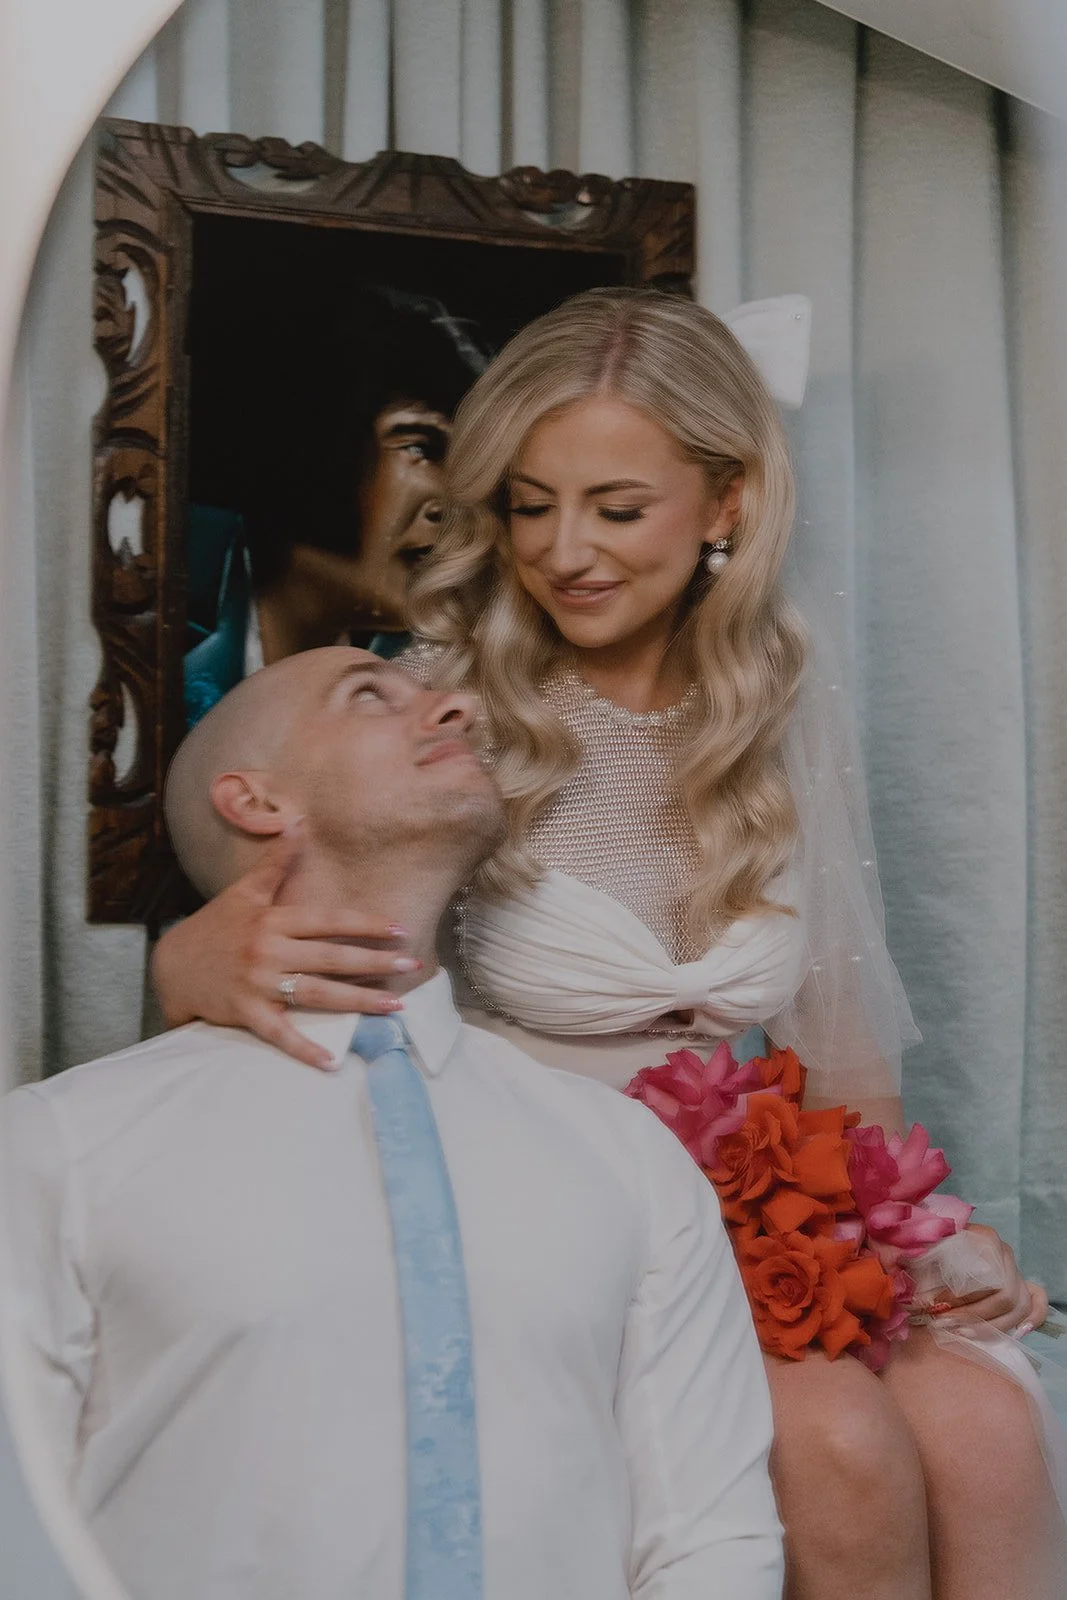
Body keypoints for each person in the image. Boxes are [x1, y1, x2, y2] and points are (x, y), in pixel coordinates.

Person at [152, 289, 1061, 1599]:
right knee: (837, 1442)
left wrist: (921, 1226)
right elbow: (268, 896)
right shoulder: (441, 704)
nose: (562, 551)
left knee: (983, 1423)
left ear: (725, 504)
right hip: (550, 1215)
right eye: (528, 504)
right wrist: (192, 969)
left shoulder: (774, 695)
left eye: (614, 509)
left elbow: (840, 1040)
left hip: (759, 1200)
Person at [0, 647, 784, 1600]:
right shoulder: (59, 1147)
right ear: (255, 802)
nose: (456, 705)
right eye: (370, 696)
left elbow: (710, 1537)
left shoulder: (623, 1158)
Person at [183, 289, 488, 726]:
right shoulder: (166, 636)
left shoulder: (442, 674)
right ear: (312, 447)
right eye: (421, 447)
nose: (458, 501)